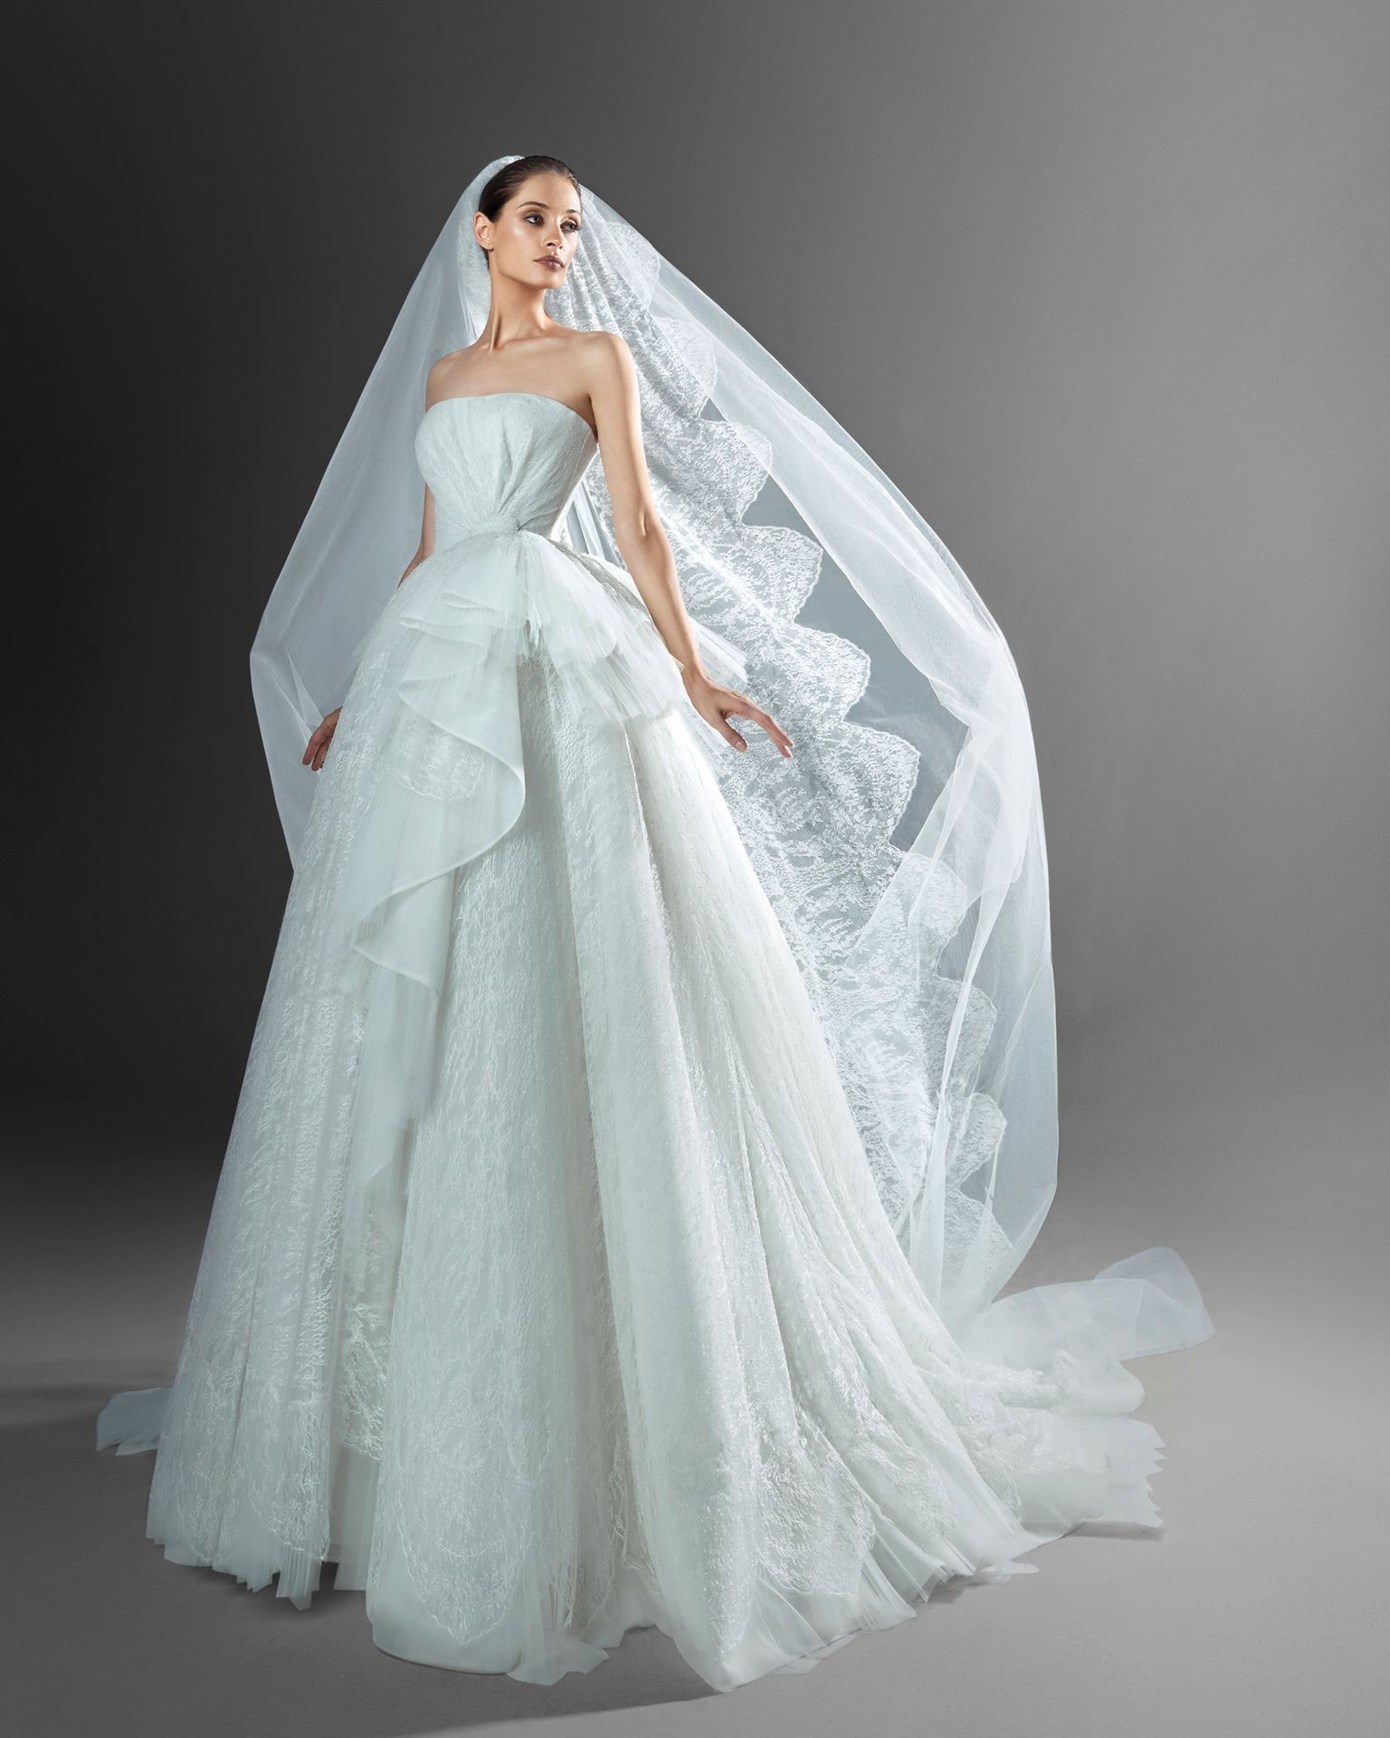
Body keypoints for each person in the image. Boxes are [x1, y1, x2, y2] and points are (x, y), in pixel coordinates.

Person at [96, 154, 1213, 1693]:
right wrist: (357, 689)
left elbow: (632, 522)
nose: (559, 240)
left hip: (560, 660)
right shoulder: (446, 374)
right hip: (436, 662)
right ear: (481, 232)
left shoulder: (593, 359)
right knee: (409, 1004)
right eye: (535, 218)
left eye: (571, 223)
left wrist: (688, 670)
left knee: (584, 971)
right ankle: (377, 1442)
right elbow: (429, 546)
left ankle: (623, 1424)